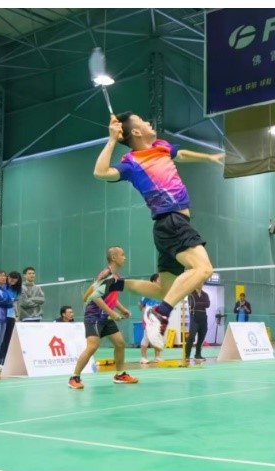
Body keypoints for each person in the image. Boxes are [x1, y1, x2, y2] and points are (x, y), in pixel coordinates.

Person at [87, 113, 222, 325]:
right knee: (203, 269)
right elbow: (100, 172)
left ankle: (113, 284)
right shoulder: (131, 163)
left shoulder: (161, 146)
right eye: (143, 121)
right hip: (172, 222)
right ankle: (161, 313)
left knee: (163, 290)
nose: (149, 122)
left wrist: (209, 158)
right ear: (136, 131)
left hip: (167, 227)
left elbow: (180, 154)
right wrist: (112, 139)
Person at [67, 246, 137, 390]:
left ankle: (120, 374)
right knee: (92, 346)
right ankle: (74, 377)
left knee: (120, 343)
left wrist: (122, 309)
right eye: (122, 254)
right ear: (114, 258)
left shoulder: (116, 277)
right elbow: (96, 297)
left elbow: (111, 297)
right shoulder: (106, 274)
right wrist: (112, 313)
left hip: (105, 316)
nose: (125, 257)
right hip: (94, 316)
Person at [138, 277, 165, 365]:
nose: (161, 281)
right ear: (153, 281)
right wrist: (145, 314)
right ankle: (143, 358)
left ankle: (157, 357)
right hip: (149, 317)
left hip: (158, 317)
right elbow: (140, 304)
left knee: (157, 336)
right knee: (146, 337)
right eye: (159, 279)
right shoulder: (148, 292)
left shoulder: (161, 293)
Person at [0, 271, 22, 366]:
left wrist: (17, 315)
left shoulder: (15, 290)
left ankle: (3, 360)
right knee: (0, 339)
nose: (12, 281)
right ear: (8, 277)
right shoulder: (2, 287)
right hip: (1, 316)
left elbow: (15, 304)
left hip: (11, 317)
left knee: (7, 339)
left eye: (15, 280)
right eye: (11, 279)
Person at [187, 286, 210, 363]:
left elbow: (208, 304)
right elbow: (192, 304)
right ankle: (187, 355)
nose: (200, 284)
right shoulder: (191, 294)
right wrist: (202, 303)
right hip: (194, 318)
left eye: (201, 283)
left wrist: (198, 303)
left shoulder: (205, 294)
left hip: (203, 319)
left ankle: (198, 354)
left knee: (201, 338)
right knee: (191, 337)